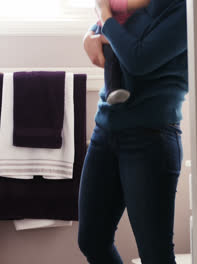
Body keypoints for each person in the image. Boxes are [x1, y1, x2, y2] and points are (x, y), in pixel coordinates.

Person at [78, 0, 188, 263]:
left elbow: (139, 59)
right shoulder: (130, 4)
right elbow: (104, 37)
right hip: (105, 130)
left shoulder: (186, 8)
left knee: (155, 254)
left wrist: (104, 14)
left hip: (151, 137)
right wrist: (89, 36)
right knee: (92, 240)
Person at [92, 0, 151, 105]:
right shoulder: (112, 1)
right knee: (112, 62)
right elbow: (134, 4)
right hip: (108, 36)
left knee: (120, 63)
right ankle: (111, 90)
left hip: (119, 34)